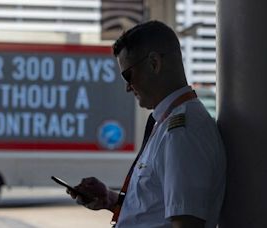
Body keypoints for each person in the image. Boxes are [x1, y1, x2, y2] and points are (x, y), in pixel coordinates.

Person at [68, 20, 226, 228]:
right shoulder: (166, 123)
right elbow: (154, 209)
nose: (127, 87)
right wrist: (109, 198)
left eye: (128, 75)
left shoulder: (182, 132)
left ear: (154, 64)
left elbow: (186, 223)